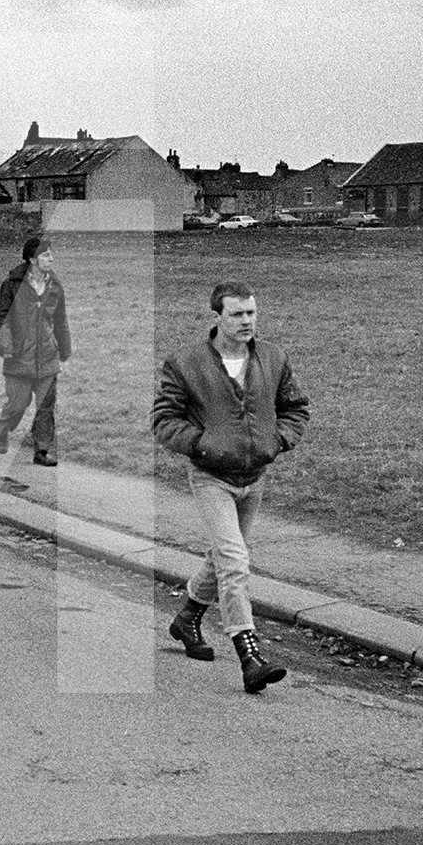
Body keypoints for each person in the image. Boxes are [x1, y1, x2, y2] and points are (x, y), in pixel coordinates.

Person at [151, 281, 310, 693]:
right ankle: (249, 654)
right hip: (211, 478)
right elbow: (164, 420)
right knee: (235, 559)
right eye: (237, 314)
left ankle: (186, 619)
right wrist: (203, 445)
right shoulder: (185, 363)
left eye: (251, 313)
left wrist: (279, 441)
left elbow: (295, 409)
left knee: (222, 556)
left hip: (254, 476)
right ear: (216, 317)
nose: (247, 322)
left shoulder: (273, 358)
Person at [0, 234, 72, 466]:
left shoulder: (55, 287)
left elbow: (61, 319)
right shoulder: (12, 285)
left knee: (46, 406)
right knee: (18, 403)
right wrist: (5, 345)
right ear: (32, 259)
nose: (51, 258)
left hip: (47, 354)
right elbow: (1, 316)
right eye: (46, 255)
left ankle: (42, 451)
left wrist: (64, 348)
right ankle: (3, 428)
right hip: (19, 355)